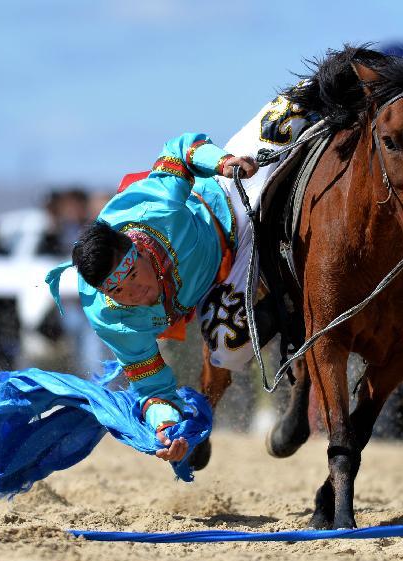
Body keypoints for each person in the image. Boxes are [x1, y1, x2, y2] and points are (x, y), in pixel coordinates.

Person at [45, 97, 318, 463]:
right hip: (221, 282)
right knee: (228, 345)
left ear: (137, 249)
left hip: (228, 205)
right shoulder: (112, 317)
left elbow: (181, 150)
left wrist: (224, 162)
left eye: (134, 278)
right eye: (120, 293)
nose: (136, 295)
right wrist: (169, 429)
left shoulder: (156, 206)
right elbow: (152, 386)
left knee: (293, 109)